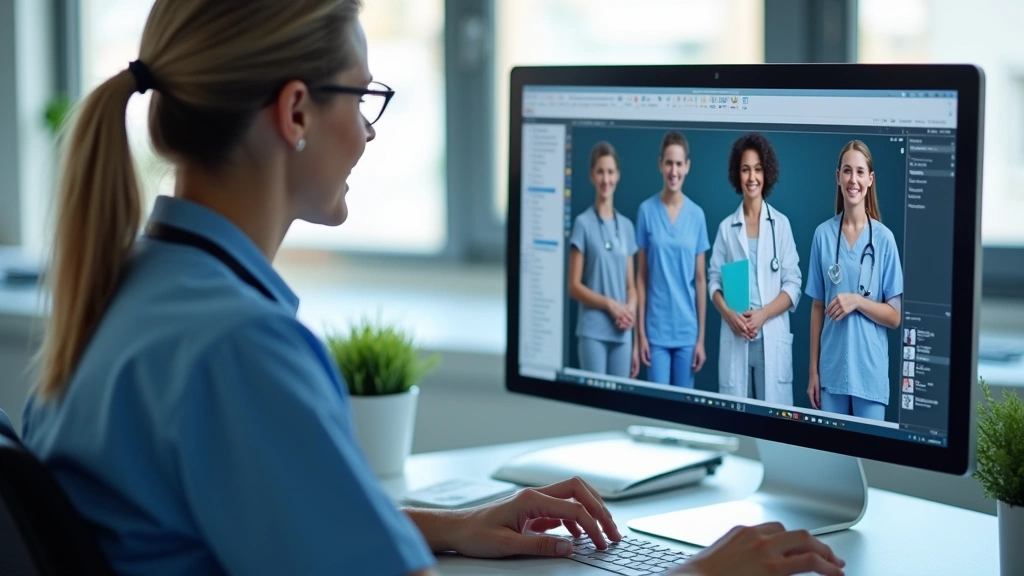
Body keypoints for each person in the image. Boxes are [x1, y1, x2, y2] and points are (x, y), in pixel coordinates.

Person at [19, 1, 845, 575]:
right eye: (364, 96)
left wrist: (455, 526)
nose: (370, 129)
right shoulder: (242, 350)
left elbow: (245, 520)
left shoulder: (125, 294)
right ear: (296, 113)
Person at [806, 140, 904, 421]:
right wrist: (814, 371)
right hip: (831, 371)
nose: (853, 179)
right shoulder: (822, 235)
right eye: (847, 171)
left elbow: (895, 317)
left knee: (867, 456)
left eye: (860, 172)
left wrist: (858, 301)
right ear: (838, 177)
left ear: (870, 180)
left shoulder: (884, 240)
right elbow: (817, 307)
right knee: (832, 461)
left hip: (869, 375)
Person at [709, 133, 802, 404]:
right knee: (736, 420)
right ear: (737, 174)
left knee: (774, 426)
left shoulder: (780, 225)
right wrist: (728, 314)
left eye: (758, 169)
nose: (752, 177)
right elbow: (714, 282)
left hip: (770, 337)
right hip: (736, 336)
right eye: (746, 169)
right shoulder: (727, 228)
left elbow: (793, 284)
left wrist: (763, 315)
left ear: (767, 173)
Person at [635, 131, 710, 387]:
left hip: (687, 333)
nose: (673, 170)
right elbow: (641, 278)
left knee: (684, 411)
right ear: (660, 165)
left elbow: (701, 281)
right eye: (669, 163)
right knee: (656, 409)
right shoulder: (646, 211)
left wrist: (700, 339)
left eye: (679, 164)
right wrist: (641, 335)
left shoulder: (697, 215)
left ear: (687, 166)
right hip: (655, 333)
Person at [568, 142, 639, 378]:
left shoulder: (627, 227)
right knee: (594, 403)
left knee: (619, 403)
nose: (605, 179)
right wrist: (610, 305)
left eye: (610, 172)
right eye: (600, 172)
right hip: (593, 332)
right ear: (592, 176)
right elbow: (574, 286)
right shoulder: (583, 224)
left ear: (617, 175)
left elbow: (631, 286)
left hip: (621, 332)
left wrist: (628, 309)